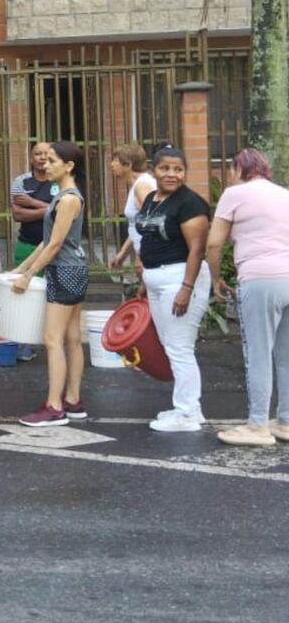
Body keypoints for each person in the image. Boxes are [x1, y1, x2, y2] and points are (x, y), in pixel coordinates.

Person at [206, 148, 289, 446]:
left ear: (239, 169)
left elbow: (214, 244)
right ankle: (286, 421)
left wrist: (216, 279)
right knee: (286, 355)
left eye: (231, 169)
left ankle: (257, 425)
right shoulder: (284, 194)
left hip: (259, 278)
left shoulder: (234, 193)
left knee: (258, 353)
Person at [9, 142, 88, 426]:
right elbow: (49, 239)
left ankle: (54, 406)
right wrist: (22, 267)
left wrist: (29, 276)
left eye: (53, 161)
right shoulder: (64, 196)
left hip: (64, 271)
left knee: (53, 340)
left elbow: (54, 244)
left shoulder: (68, 199)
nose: (46, 164)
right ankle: (73, 400)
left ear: (69, 166)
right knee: (71, 338)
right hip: (73, 269)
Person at [135, 146, 211, 432]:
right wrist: (145, 281)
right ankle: (190, 408)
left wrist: (186, 289)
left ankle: (188, 413)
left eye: (178, 169)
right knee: (171, 345)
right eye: (165, 168)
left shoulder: (190, 204)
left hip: (180, 278)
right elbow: (149, 240)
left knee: (180, 348)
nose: (172, 174)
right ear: (153, 170)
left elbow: (197, 250)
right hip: (157, 280)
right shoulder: (152, 199)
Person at [9, 142, 53, 362]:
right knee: (23, 295)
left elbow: (64, 212)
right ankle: (23, 345)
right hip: (27, 245)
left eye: (46, 153)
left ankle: (50, 340)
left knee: (50, 295)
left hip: (54, 248)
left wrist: (32, 204)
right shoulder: (21, 181)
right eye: (38, 154)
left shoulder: (59, 180)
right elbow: (17, 214)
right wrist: (49, 208)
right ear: (31, 157)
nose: (42, 158)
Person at [109, 144, 157, 269]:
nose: (111, 165)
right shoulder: (137, 185)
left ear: (128, 165)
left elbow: (152, 224)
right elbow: (137, 225)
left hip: (151, 259)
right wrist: (123, 253)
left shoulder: (142, 187)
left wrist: (142, 257)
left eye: (115, 160)